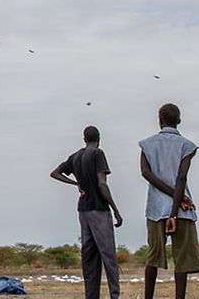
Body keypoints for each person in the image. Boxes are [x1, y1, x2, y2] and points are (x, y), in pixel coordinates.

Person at [139, 103, 199, 299]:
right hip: (182, 209)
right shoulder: (187, 146)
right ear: (180, 120)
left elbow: (146, 173)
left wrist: (171, 197)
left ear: (159, 120)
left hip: (156, 209)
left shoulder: (146, 145)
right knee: (182, 261)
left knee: (153, 257)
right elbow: (181, 178)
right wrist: (177, 203)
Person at [51, 125, 122, 299]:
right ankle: (115, 295)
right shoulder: (98, 154)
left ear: (84, 139)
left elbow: (55, 173)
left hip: (83, 210)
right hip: (99, 209)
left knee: (89, 257)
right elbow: (102, 184)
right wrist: (115, 209)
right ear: (99, 139)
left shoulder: (75, 157)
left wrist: (76, 184)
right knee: (108, 256)